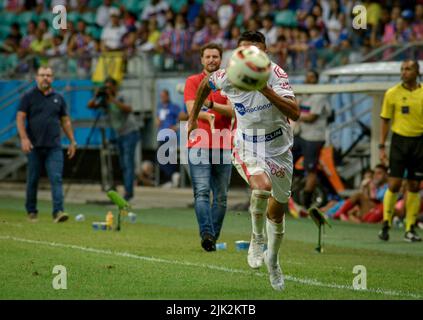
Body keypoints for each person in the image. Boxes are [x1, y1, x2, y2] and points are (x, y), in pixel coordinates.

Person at [188, 31, 300, 290]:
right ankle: (257, 238)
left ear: (265, 53)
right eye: (243, 52)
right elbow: (206, 84)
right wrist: (194, 117)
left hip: (280, 148)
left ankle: (273, 261)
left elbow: (294, 112)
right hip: (247, 143)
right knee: (261, 187)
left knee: (277, 211)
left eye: (256, 51)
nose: (249, 57)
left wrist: (265, 89)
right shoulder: (229, 76)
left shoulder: (276, 74)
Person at [184, 43, 234, 252]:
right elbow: (191, 110)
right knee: (202, 192)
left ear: (220, 59)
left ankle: (211, 237)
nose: (212, 60)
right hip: (199, 144)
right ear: (202, 60)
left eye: (215, 56)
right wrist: (208, 114)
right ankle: (207, 234)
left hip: (223, 144)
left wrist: (211, 107)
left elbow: (234, 112)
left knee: (221, 197)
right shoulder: (193, 81)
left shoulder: (230, 83)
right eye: (208, 56)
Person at [16, 66, 77, 223]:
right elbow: (20, 117)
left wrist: (72, 141)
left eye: (48, 75)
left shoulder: (59, 98)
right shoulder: (28, 97)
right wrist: (24, 138)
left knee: (56, 178)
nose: (45, 78)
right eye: (42, 75)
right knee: (33, 179)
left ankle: (58, 212)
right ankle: (31, 211)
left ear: (53, 78)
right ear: (36, 77)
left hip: (54, 146)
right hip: (34, 146)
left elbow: (65, 121)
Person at [378, 59, 423, 242]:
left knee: (414, 185)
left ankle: (409, 227)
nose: (404, 72)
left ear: (417, 72)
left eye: (408, 69)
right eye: (402, 69)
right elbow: (385, 120)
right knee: (394, 184)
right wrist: (381, 146)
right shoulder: (392, 93)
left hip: (419, 142)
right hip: (398, 142)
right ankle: (386, 223)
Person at [88, 77, 140, 201]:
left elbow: (129, 109)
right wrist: (97, 96)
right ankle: (127, 190)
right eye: (106, 87)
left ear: (115, 87)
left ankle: (128, 193)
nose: (108, 89)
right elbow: (90, 106)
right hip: (119, 134)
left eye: (109, 87)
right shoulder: (105, 100)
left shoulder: (122, 96)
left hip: (130, 132)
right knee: (123, 164)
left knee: (128, 163)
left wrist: (112, 100)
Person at [292, 69, 332, 212]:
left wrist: (295, 114)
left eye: (311, 77)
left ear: (316, 80)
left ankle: (306, 201)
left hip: (314, 138)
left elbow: (312, 117)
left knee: (311, 169)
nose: (308, 80)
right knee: (285, 157)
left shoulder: (319, 96)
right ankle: (292, 187)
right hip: (301, 134)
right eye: (307, 77)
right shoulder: (303, 94)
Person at [156, 89, 181, 187]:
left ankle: (171, 177)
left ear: (168, 96)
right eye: (161, 96)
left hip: (170, 135)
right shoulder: (160, 107)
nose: (162, 98)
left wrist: (176, 127)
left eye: (163, 96)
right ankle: (172, 176)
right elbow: (158, 120)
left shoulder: (174, 107)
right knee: (161, 158)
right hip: (161, 135)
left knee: (169, 157)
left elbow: (181, 119)